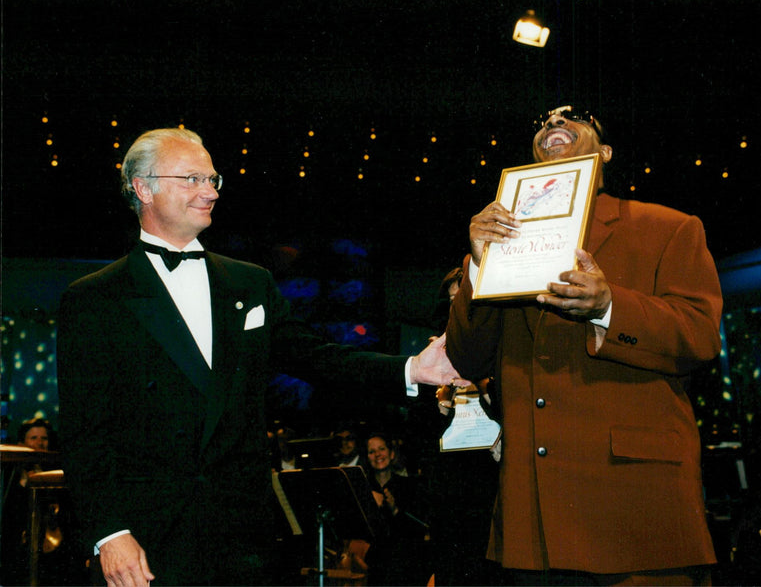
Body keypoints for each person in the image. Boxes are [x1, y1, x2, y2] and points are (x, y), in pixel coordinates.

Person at [56, 127, 465, 587]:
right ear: (143, 188)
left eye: (213, 179)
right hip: (146, 540)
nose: (210, 192)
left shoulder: (250, 283)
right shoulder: (94, 299)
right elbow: (84, 434)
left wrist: (412, 369)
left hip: (242, 540)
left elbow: (317, 358)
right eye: (192, 179)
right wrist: (110, 533)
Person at [445, 105, 723, 585]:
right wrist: (478, 267)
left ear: (605, 152)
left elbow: (700, 336)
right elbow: (468, 358)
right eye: (544, 120)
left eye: (574, 117)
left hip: (634, 506)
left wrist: (609, 306)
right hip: (533, 519)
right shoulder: (503, 246)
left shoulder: (669, 227)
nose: (553, 123)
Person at [364, 432, 431, 585]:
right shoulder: (363, 488)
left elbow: (419, 529)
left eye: (382, 449)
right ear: (367, 458)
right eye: (372, 451)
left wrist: (395, 510)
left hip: (404, 564)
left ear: (392, 454)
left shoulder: (409, 486)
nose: (377, 454)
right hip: (373, 565)